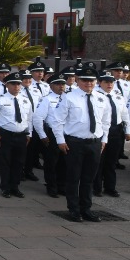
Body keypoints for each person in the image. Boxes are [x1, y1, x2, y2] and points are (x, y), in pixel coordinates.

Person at [48, 66, 110, 222]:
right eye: (84, 80)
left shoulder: (101, 97)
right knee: (74, 177)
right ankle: (74, 210)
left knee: (89, 178)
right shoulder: (68, 97)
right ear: (77, 80)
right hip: (75, 143)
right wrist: (60, 140)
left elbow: (105, 121)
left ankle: (86, 208)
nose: (88, 84)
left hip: (94, 143)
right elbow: (57, 120)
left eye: (91, 81)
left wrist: (104, 139)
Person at [0, 74, 32, 198]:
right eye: (13, 84)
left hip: (22, 135)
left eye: (18, 84)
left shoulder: (25, 100)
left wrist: (29, 134)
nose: (16, 86)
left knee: (19, 162)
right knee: (5, 163)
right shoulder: (0, 99)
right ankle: (5, 187)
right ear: (7, 85)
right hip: (6, 135)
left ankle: (15, 187)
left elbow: (30, 119)